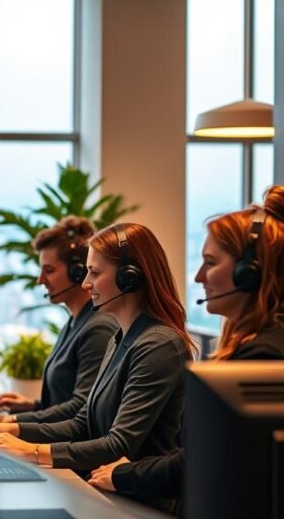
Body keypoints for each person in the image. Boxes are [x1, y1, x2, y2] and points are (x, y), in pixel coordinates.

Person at [89, 184, 284, 503]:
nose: (197, 276)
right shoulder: (261, 343)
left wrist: (123, 474)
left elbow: (206, 462)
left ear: (249, 273)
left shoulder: (263, 354)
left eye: (210, 262)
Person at [0, 222, 195, 475]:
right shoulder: (122, 337)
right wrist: (9, 429)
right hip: (99, 487)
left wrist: (29, 450)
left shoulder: (158, 345)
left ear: (129, 278)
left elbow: (119, 445)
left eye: (94, 273)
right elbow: (82, 423)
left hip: (133, 502)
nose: (85, 283)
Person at [0, 216, 117, 427]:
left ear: (78, 272)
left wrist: (7, 420)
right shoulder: (75, 322)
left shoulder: (98, 328)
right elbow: (64, 398)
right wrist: (33, 405)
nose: (40, 279)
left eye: (49, 270)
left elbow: (82, 407)